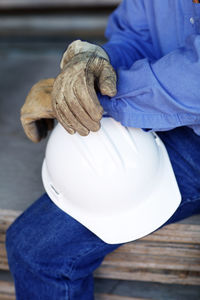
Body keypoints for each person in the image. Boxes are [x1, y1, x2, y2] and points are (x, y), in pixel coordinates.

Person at [6, 1, 200, 299]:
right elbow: (136, 37)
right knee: (34, 247)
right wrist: (92, 67)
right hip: (170, 118)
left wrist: (98, 100)